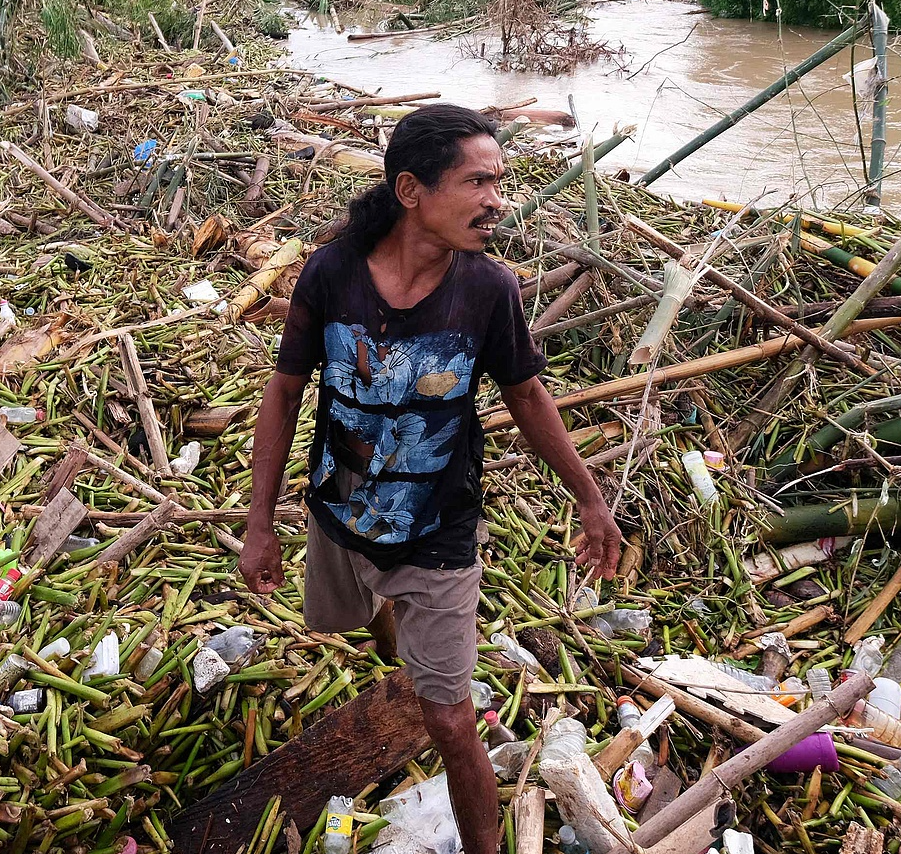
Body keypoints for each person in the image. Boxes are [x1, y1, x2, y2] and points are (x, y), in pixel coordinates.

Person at [239, 104, 622, 854]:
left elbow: (527, 397)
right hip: (339, 507)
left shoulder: (487, 291)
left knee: (448, 717)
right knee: (351, 620)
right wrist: (259, 524)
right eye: (478, 182)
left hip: (438, 525)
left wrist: (590, 496)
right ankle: (395, 637)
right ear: (411, 191)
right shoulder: (332, 273)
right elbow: (284, 392)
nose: (497, 201)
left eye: (500, 181)